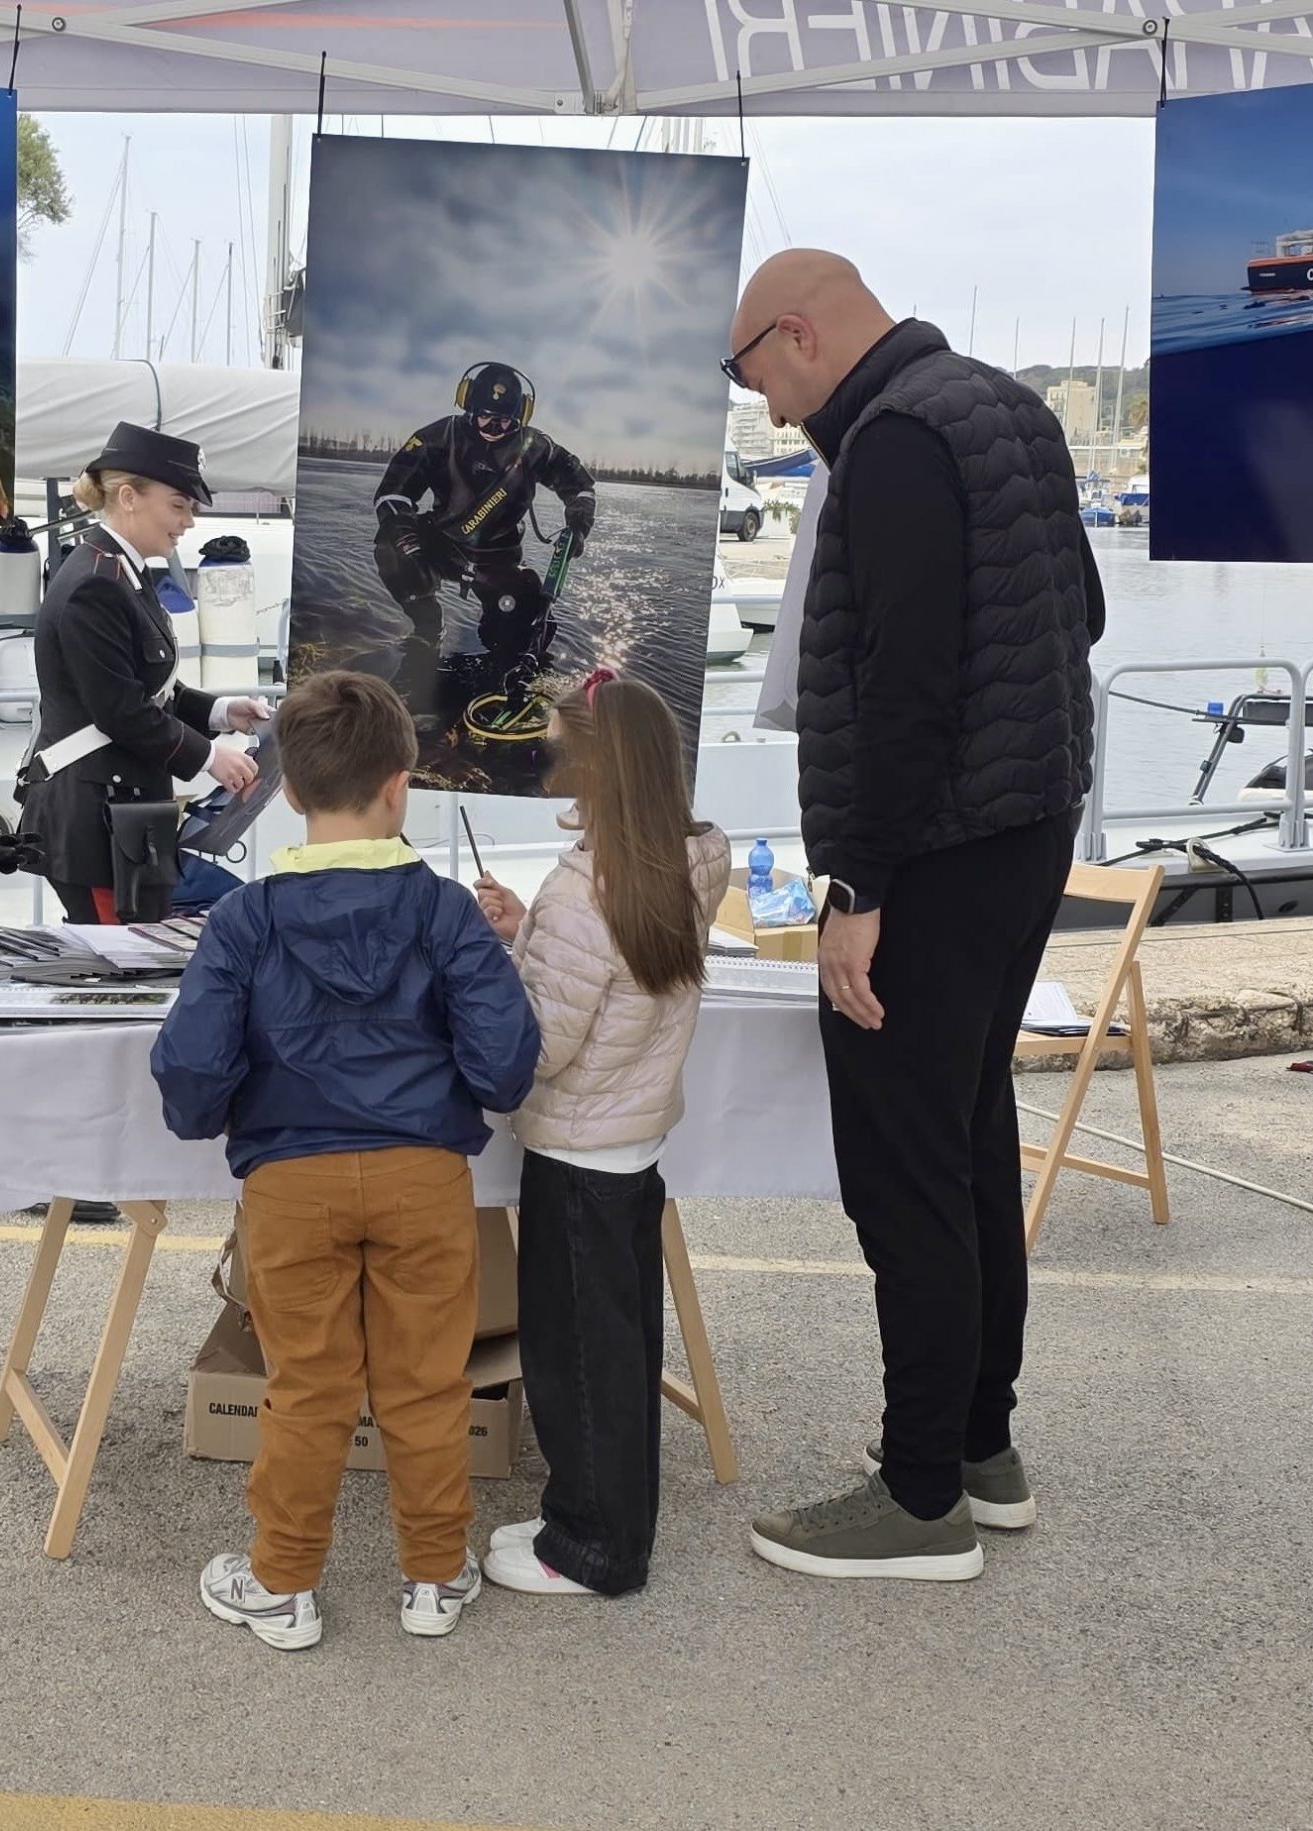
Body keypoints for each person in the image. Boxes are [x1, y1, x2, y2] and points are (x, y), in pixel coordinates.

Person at [722, 248, 1102, 1583]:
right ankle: (983, 1444)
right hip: (1029, 828)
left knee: (904, 1169)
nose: (766, 410)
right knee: (969, 1133)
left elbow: (906, 691)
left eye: (754, 372)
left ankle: (921, 1489)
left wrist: (856, 889)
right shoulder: (1012, 411)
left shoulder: (888, 443)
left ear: (799, 332)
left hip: (931, 856)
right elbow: (1085, 614)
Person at [150, 671, 540, 1651]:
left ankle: (282, 1581)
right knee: (427, 1381)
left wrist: (224, 1107)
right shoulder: (445, 908)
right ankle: (435, 1572)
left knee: (307, 1386)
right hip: (424, 1177)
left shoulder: (243, 919)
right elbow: (505, 1065)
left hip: (290, 1181)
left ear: (287, 791)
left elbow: (191, 1073)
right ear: (400, 785)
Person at [469, 669, 729, 1599]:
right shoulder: (693, 855)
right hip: (633, 1143)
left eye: (550, 738)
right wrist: (531, 927)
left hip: (576, 1150)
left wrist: (503, 959)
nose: (539, 751)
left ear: (588, 763)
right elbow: (616, 971)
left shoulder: (585, 888)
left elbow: (539, 1045)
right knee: (618, 1351)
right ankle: (597, 1517)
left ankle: (594, 1548)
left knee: (575, 1360)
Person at [17, 421, 268, 923]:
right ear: (129, 497)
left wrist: (221, 712)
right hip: (96, 825)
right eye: (179, 505)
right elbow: (119, 710)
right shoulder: (96, 584)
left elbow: (150, 690)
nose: (189, 522)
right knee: (120, 971)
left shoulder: (120, 572)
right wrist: (208, 757)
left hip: (123, 821)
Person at [373, 362, 597, 729]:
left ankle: (504, 650)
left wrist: (578, 524)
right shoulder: (437, 436)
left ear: (520, 416)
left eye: (506, 420)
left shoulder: (534, 446)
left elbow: (580, 485)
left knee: (521, 634)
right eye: (486, 418)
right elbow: (392, 492)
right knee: (390, 549)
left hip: (499, 562)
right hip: (441, 545)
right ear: (468, 407)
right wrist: (399, 527)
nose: (495, 428)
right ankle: (427, 626)